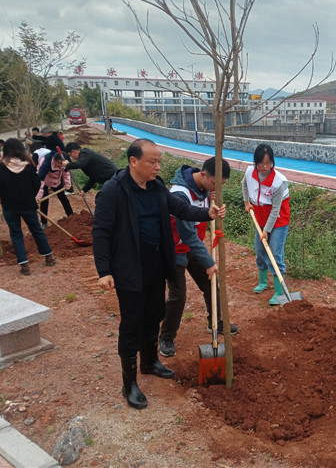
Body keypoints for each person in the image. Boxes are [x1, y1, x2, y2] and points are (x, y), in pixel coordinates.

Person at [92, 138, 226, 410]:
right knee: (132, 322)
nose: (157, 167)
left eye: (159, 162)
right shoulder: (113, 192)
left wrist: (207, 214)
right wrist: (104, 270)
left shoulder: (156, 188)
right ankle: (128, 383)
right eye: (152, 162)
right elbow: (101, 233)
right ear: (133, 161)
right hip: (129, 267)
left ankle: (150, 362)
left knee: (154, 313)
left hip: (156, 262)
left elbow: (180, 209)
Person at [159, 157, 238, 358]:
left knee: (212, 284)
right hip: (174, 249)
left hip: (192, 246)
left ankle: (217, 321)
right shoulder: (180, 194)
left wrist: (212, 200)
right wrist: (209, 262)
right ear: (203, 175)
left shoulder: (203, 188)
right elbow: (187, 233)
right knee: (178, 295)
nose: (217, 189)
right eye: (215, 184)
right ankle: (166, 337)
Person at [0, 138, 56, 276]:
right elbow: (36, 184)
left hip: (9, 205)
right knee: (37, 230)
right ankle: (48, 257)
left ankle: (24, 265)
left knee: (16, 234)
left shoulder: (0, 167)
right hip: (28, 205)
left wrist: (3, 191)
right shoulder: (28, 166)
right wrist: (29, 195)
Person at [242, 143, 291, 305]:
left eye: (268, 163)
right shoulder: (250, 172)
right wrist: (246, 202)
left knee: (275, 253)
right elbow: (244, 184)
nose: (264, 167)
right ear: (255, 162)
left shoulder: (278, 182)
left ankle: (279, 292)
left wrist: (267, 231)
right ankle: (263, 282)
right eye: (261, 163)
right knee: (260, 250)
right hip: (261, 218)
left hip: (278, 220)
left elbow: (276, 210)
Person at [36, 151, 73, 228]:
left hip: (56, 180)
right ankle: (44, 222)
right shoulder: (46, 163)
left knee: (63, 197)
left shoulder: (64, 162)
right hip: (45, 179)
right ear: (54, 160)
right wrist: (38, 196)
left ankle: (71, 216)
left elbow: (66, 173)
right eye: (58, 163)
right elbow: (40, 180)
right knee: (44, 199)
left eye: (61, 163)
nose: (60, 165)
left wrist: (67, 184)